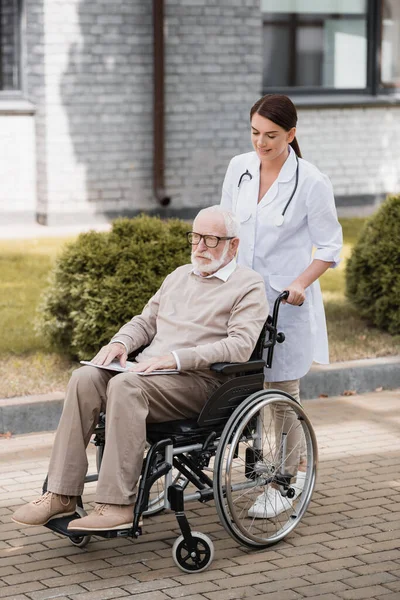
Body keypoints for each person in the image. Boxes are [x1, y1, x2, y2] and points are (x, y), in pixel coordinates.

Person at [12, 206, 269, 532]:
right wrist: (120, 344)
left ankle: (118, 504)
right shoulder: (178, 276)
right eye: (195, 237)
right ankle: (60, 494)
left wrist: (177, 358)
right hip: (152, 374)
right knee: (85, 378)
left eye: (211, 240)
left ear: (233, 246)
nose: (200, 247)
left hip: (202, 382)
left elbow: (239, 345)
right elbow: (145, 322)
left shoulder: (248, 285)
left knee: (125, 386)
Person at [220, 94, 343, 518]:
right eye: (255, 133)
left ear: (291, 134)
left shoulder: (311, 181)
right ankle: (236, 465)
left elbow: (329, 247)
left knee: (279, 394)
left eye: (271, 135)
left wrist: (300, 282)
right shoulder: (239, 169)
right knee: (231, 382)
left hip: (283, 302)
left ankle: (285, 482)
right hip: (237, 296)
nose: (261, 142)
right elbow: (225, 226)